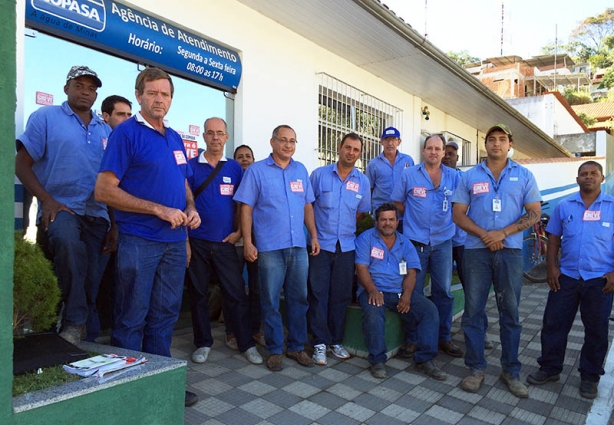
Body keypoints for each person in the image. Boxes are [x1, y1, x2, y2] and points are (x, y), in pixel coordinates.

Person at [95, 67, 200, 407]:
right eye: (152, 93)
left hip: (172, 243)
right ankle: (125, 392)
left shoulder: (174, 137)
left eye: (165, 94)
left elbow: (182, 183)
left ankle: (160, 382)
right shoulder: (126, 133)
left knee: (165, 314)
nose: (159, 99)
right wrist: (157, 209)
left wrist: (190, 208)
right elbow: (104, 191)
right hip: (139, 240)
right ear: (139, 95)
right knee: (131, 316)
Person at [15, 65, 114, 345]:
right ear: (66, 88)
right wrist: (46, 200)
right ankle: (72, 325)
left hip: (97, 216)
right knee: (69, 249)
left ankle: (81, 342)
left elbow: (113, 182)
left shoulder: (105, 129)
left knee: (89, 281)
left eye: (91, 88)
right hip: (60, 210)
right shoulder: (46, 117)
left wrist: (115, 225)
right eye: (79, 85)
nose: (85, 92)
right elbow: (21, 164)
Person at [452, 124, 541, 398]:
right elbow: (458, 214)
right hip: (476, 252)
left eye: (502, 139)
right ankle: (476, 368)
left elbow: (534, 213)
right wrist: (485, 235)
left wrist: (502, 233)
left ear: (510, 144)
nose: (497, 144)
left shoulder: (524, 175)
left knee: (510, 313)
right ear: (486, 145)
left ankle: (510, 371)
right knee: (473, 312)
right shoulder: (469, 177)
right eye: (492, 140)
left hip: (510, 252)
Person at [234, 125, 320, 372]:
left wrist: (313, 235)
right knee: (270, 300)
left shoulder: (301, 170)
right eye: (283, 140)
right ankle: (273, 349)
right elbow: (246, 208)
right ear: (272, 142)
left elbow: (307, 207)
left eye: (292, 141)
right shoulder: (257, 171)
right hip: (270, 247)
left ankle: (296, 346)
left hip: (298, 247)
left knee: (298, 299)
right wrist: (248, 241)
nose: (288, 145)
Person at [527, 161, 614, 399]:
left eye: (593, 174)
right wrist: (552, 268)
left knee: (596, 330)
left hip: (600, 280)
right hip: (566, 277)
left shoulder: (613, 206)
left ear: (601, 178)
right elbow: (553, 238)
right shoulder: (564, 207)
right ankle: (550, 368)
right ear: (577, 179)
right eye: (583, 174)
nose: (588, 177)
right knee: (554, 325)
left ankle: (590, 376)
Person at [186, 118, 262, 365]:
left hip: (225, 242)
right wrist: (185, 241)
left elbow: (243, 204)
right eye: (210, 133)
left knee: (236, 293)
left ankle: (246, 344)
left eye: (220, 133)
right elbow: (183, 203)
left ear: (226, 137)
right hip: (196, 241)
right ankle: (203, 343)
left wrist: (240, 232)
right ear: (204, 137)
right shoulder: (190, 166)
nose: (215, 137)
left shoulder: (233, 168)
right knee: (198, 294)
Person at [355, 203, 445, 381]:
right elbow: (361, 268)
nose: (387, 223)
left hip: (398, 292)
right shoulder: (366, 239)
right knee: (373, 313)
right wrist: (372, 290)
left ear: (397, 221)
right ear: (376, 221)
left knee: (430, 311)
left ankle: (425, 360)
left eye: (391, 220)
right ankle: (378, 361)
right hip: (373, 289)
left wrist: (407, 295)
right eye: (383, 220)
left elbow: (411, 272)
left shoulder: (406, 243)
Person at [392, 135, 462, 359]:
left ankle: (444, 337)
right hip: (415, 243)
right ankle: (413, 339)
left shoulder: (454, 177)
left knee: (443, 292)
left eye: (438, 149)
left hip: (443, 242)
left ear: (444, 153)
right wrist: (413, 219)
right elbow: (397, 202)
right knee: (413, 291)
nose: (433, 152)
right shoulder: (409, 174)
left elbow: (460, 206)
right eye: (429, 148)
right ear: (423, 151)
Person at [309, 132, 371, 365]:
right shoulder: (319, 176)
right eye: (347, 147)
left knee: (341, 296)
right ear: (339, 147)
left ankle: (335, 340)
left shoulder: (363, 182)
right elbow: (308, 208)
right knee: (318, 294)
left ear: (360, 153)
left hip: (346, 247)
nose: (351, 153)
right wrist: (314, 236)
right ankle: (319, 343)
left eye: (356, 149)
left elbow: (360, 212)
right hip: (320, 246)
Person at [442, 141, 493, 350]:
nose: (447, 156)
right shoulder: (433, 175)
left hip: (464, 242)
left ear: (457, 158)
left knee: (473, 288)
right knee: (442, 289)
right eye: (445, 152)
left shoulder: (466, 179)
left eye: (451, 153)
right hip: (442, 242)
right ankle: (443, 335)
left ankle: (480, 331)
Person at [225, 144, 264, 348]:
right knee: (234, 288)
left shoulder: (259, 179)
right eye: (240, 157)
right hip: (236, 242)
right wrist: (240, 233)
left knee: (257, 288)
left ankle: (255, 330)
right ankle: (231, 331)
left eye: (248, 156)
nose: (245, 159)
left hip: (259, 242)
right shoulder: (232, 180)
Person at [366, 126, 414, 228]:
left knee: (402, 243)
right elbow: (369, 190)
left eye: (393, 139)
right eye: (387, 139)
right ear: (381, 142)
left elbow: (413, 186)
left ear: (399, 142)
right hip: (381, 217)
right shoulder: (373, 164)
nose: (390, 143)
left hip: (402, 216)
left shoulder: (408, 161)